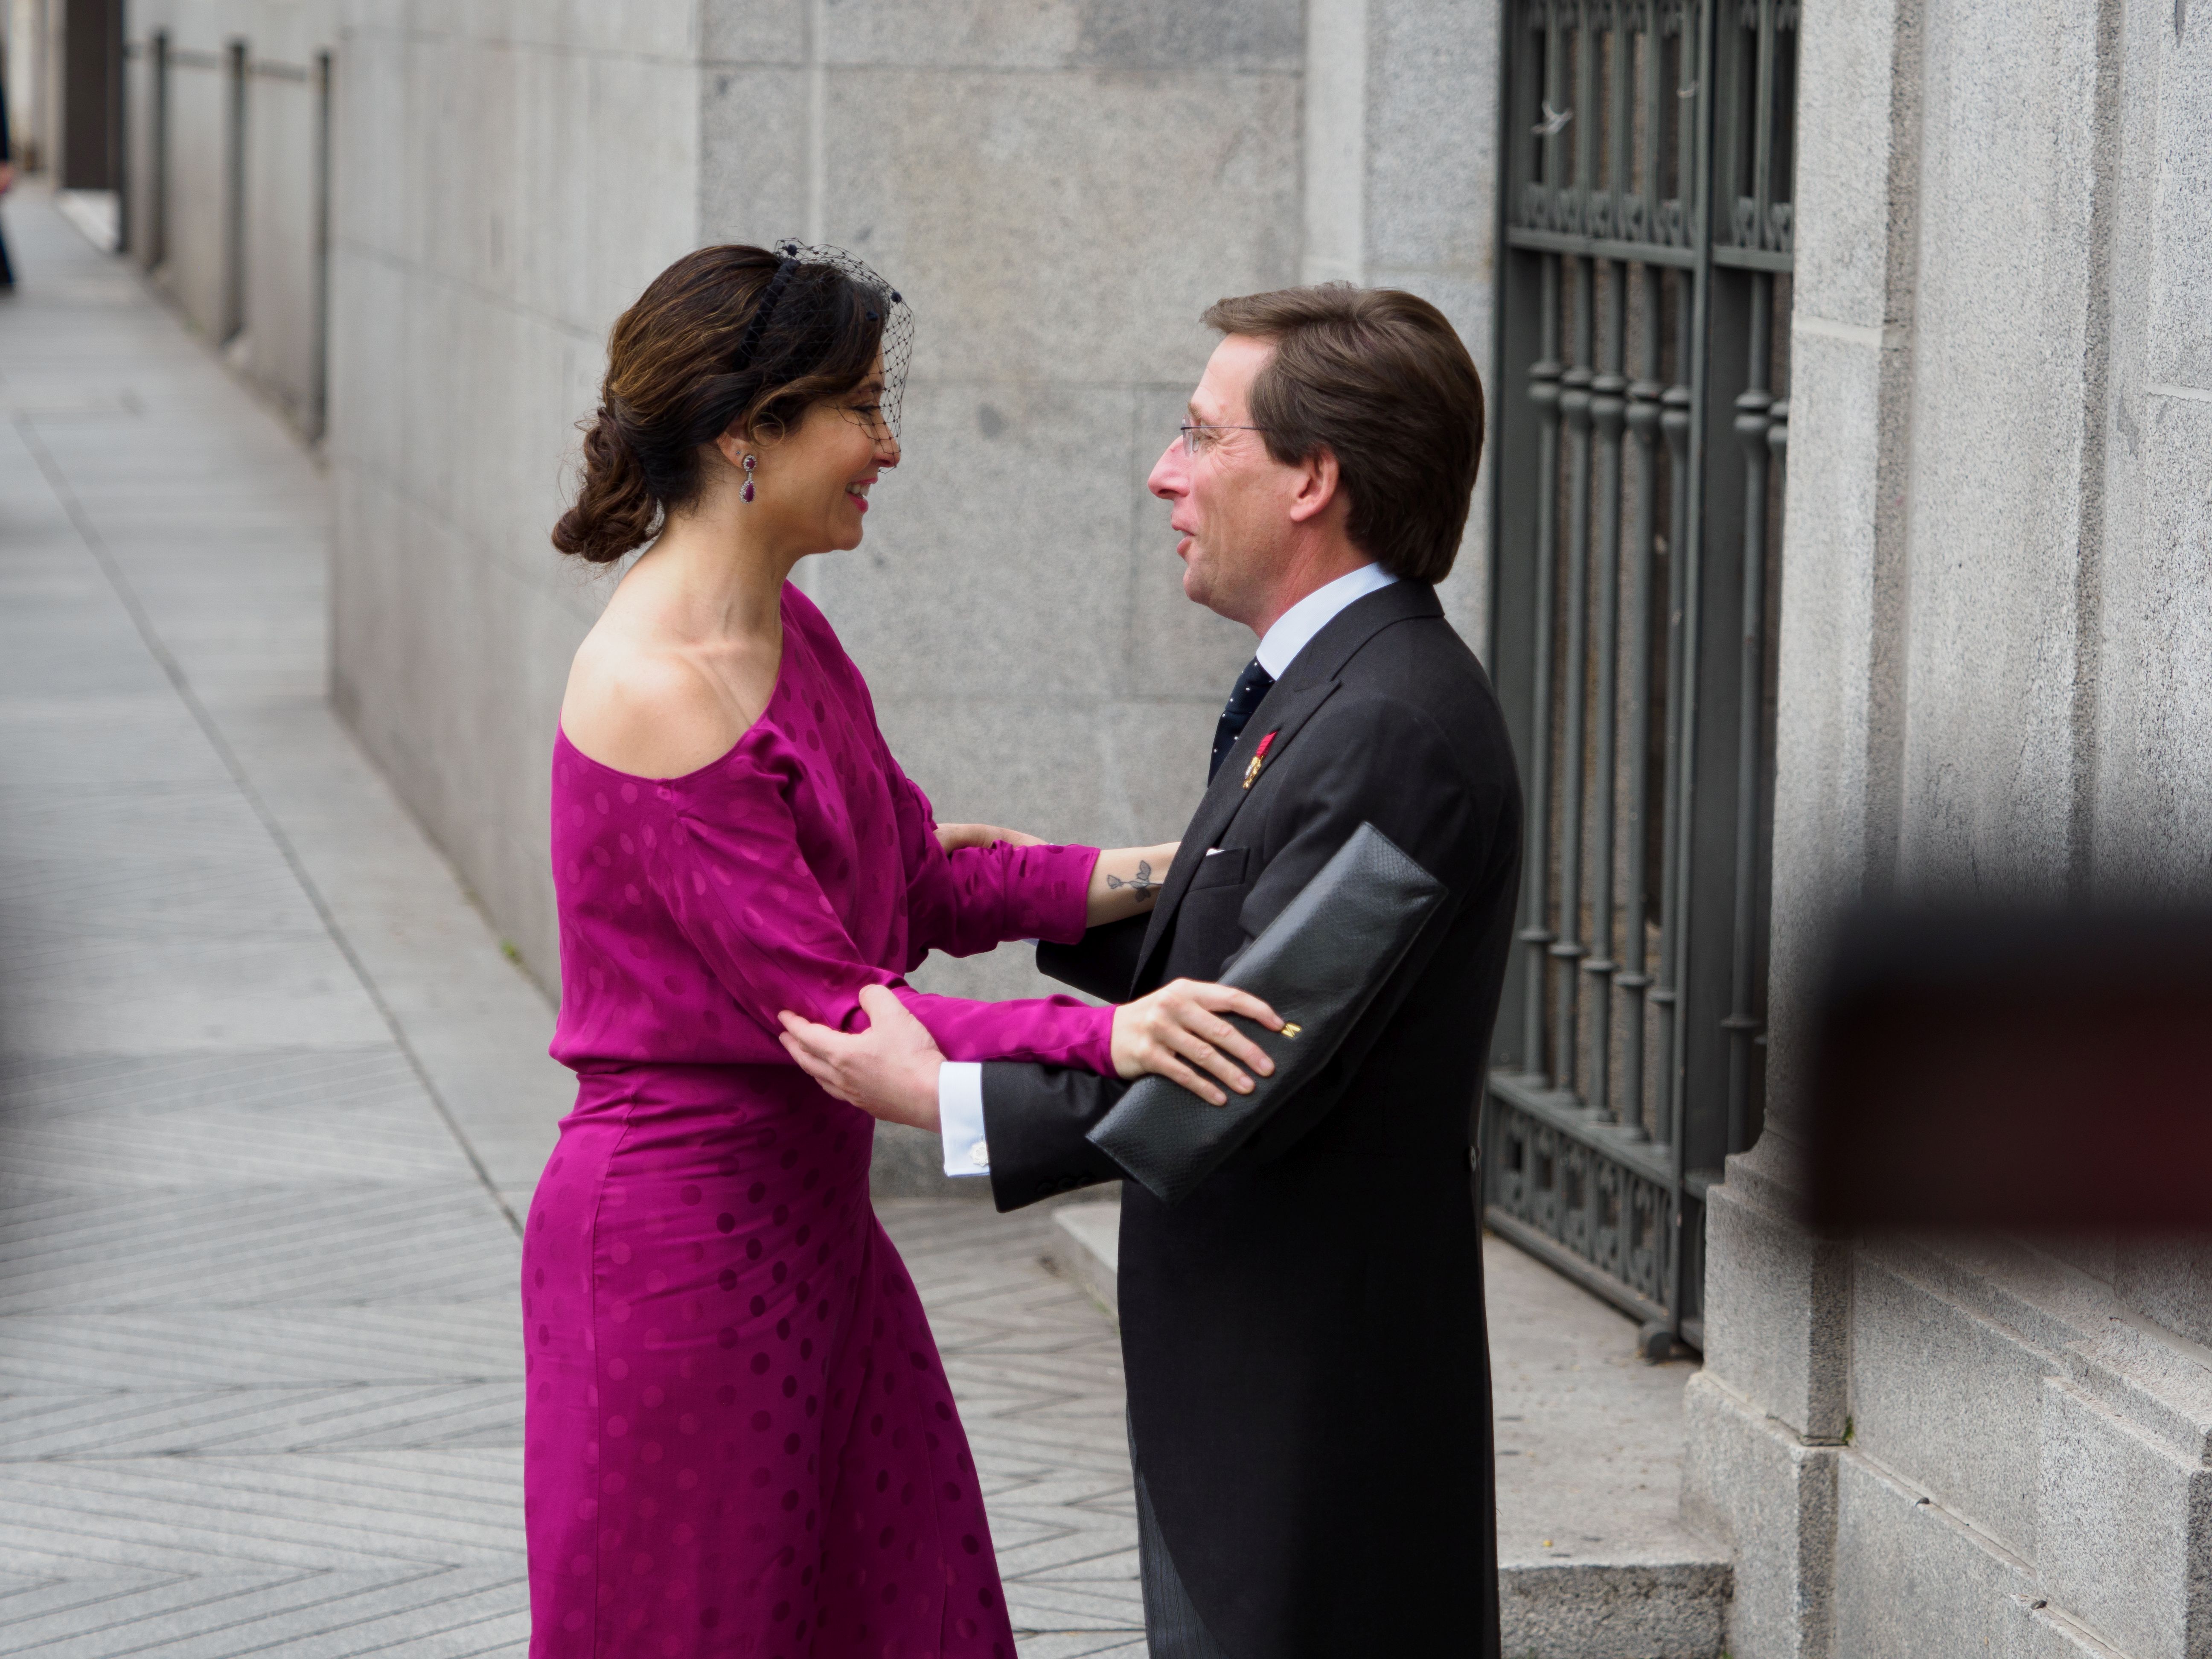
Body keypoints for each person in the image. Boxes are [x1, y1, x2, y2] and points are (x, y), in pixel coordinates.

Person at [527, 243, 1283, 1659]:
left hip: (815, 1238)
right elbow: (842, 1016)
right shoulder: (655, 686)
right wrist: (1112, 1035)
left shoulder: (784, 625)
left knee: (920, 1619)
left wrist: (1183, 869)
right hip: (680, 1260)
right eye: (861, 410)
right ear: (747, 430)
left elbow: (924, 880)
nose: (890, 445)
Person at [780, 283, 1522, 1658]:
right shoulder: (1331, 686)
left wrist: (938, 1095)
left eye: (1199, 434)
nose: (1162, 471)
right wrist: (1019, 893)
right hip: (1252, 1382)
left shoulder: (1392, 726)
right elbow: (1249, 932)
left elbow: (1239, 1055)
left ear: (1314, 479)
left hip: (1315, 1409)